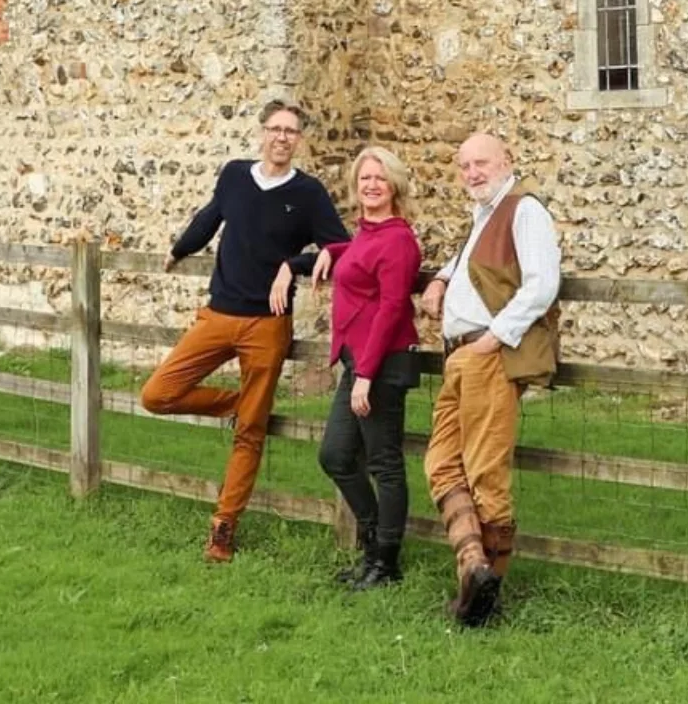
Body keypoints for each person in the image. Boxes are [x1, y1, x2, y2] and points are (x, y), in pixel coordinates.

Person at [142, 98, 349, 563]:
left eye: (291, 131)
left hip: (266, 325)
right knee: (157, 394)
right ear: (261, 132)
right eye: (276, 128)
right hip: (218, 314)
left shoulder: (310, 193)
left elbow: (341, 248)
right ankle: (240, 405)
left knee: (249, 435)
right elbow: (211, 216)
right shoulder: (235, 174)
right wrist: (179, 249)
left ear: (299, 140)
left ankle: (224, 526)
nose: (282, 137)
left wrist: (291, 266)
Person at [420, 131, 561, 627]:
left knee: (484, 472)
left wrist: (495, 337)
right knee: (440, 462)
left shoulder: (524, 211)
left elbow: (543, 282)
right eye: (464, 167)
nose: (472, 174)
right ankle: (473, 568)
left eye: (481, 163)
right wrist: (439, 278)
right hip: (460, 357)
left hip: (485, 355)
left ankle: (485, 597)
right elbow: (468, 264)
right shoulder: (484, 216)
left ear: (507, 162)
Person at [311, 145, 423, 589]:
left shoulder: (398, 239)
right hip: (360, 361)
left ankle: (386, 564)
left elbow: (392, 308)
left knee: (384, 463)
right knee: (335, 455)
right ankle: (375, 545)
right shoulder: (367, 234)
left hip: (382, 364)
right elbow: (361, 250)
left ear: (393, 184)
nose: (371, 185)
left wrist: (366, 376)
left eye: (379, 178)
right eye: (364, 179)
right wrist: (332, 249)